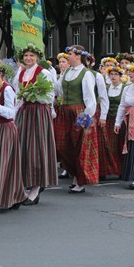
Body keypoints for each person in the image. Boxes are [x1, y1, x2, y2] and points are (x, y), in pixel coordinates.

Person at [13, 43, 57, 204]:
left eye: (31, 56)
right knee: (23, 147)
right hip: (25, 113)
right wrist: (15, 113)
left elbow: (49, 96)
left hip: (38, 112)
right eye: (26, 56)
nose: (28, 58)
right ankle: (26, 183)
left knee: (35, 149)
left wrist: (33, 95)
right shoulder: (21, 72)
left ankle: (36, 187)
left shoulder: (43, 73)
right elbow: (18, 95)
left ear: (38, 57)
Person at [55, 45, 98, 194]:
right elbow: (59, 91)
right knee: (62, 145)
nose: (67, 57)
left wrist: (86, 116)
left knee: (80, 147)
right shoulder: (66, 73)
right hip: (65, 111)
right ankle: (74, 173)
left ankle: (79, 180)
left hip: (79, 111)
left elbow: (90, 98)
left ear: (78, 56)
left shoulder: (86, 74)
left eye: (70, 54)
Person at [0, 59, 27, 211]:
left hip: (5, 128)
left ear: (0, 73)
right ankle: (14, 195)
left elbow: (12, 112)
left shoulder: (7, 89)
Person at [100, 65, 127, 179]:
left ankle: (121, 170)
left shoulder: (125, 87)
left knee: (120, 145)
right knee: (107, 145)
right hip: (108, 119)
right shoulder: (106, 88)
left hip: (121, 119)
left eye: (116, 74)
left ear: (120, 76)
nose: (113, 76)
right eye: (111, 74)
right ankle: (106, 170)